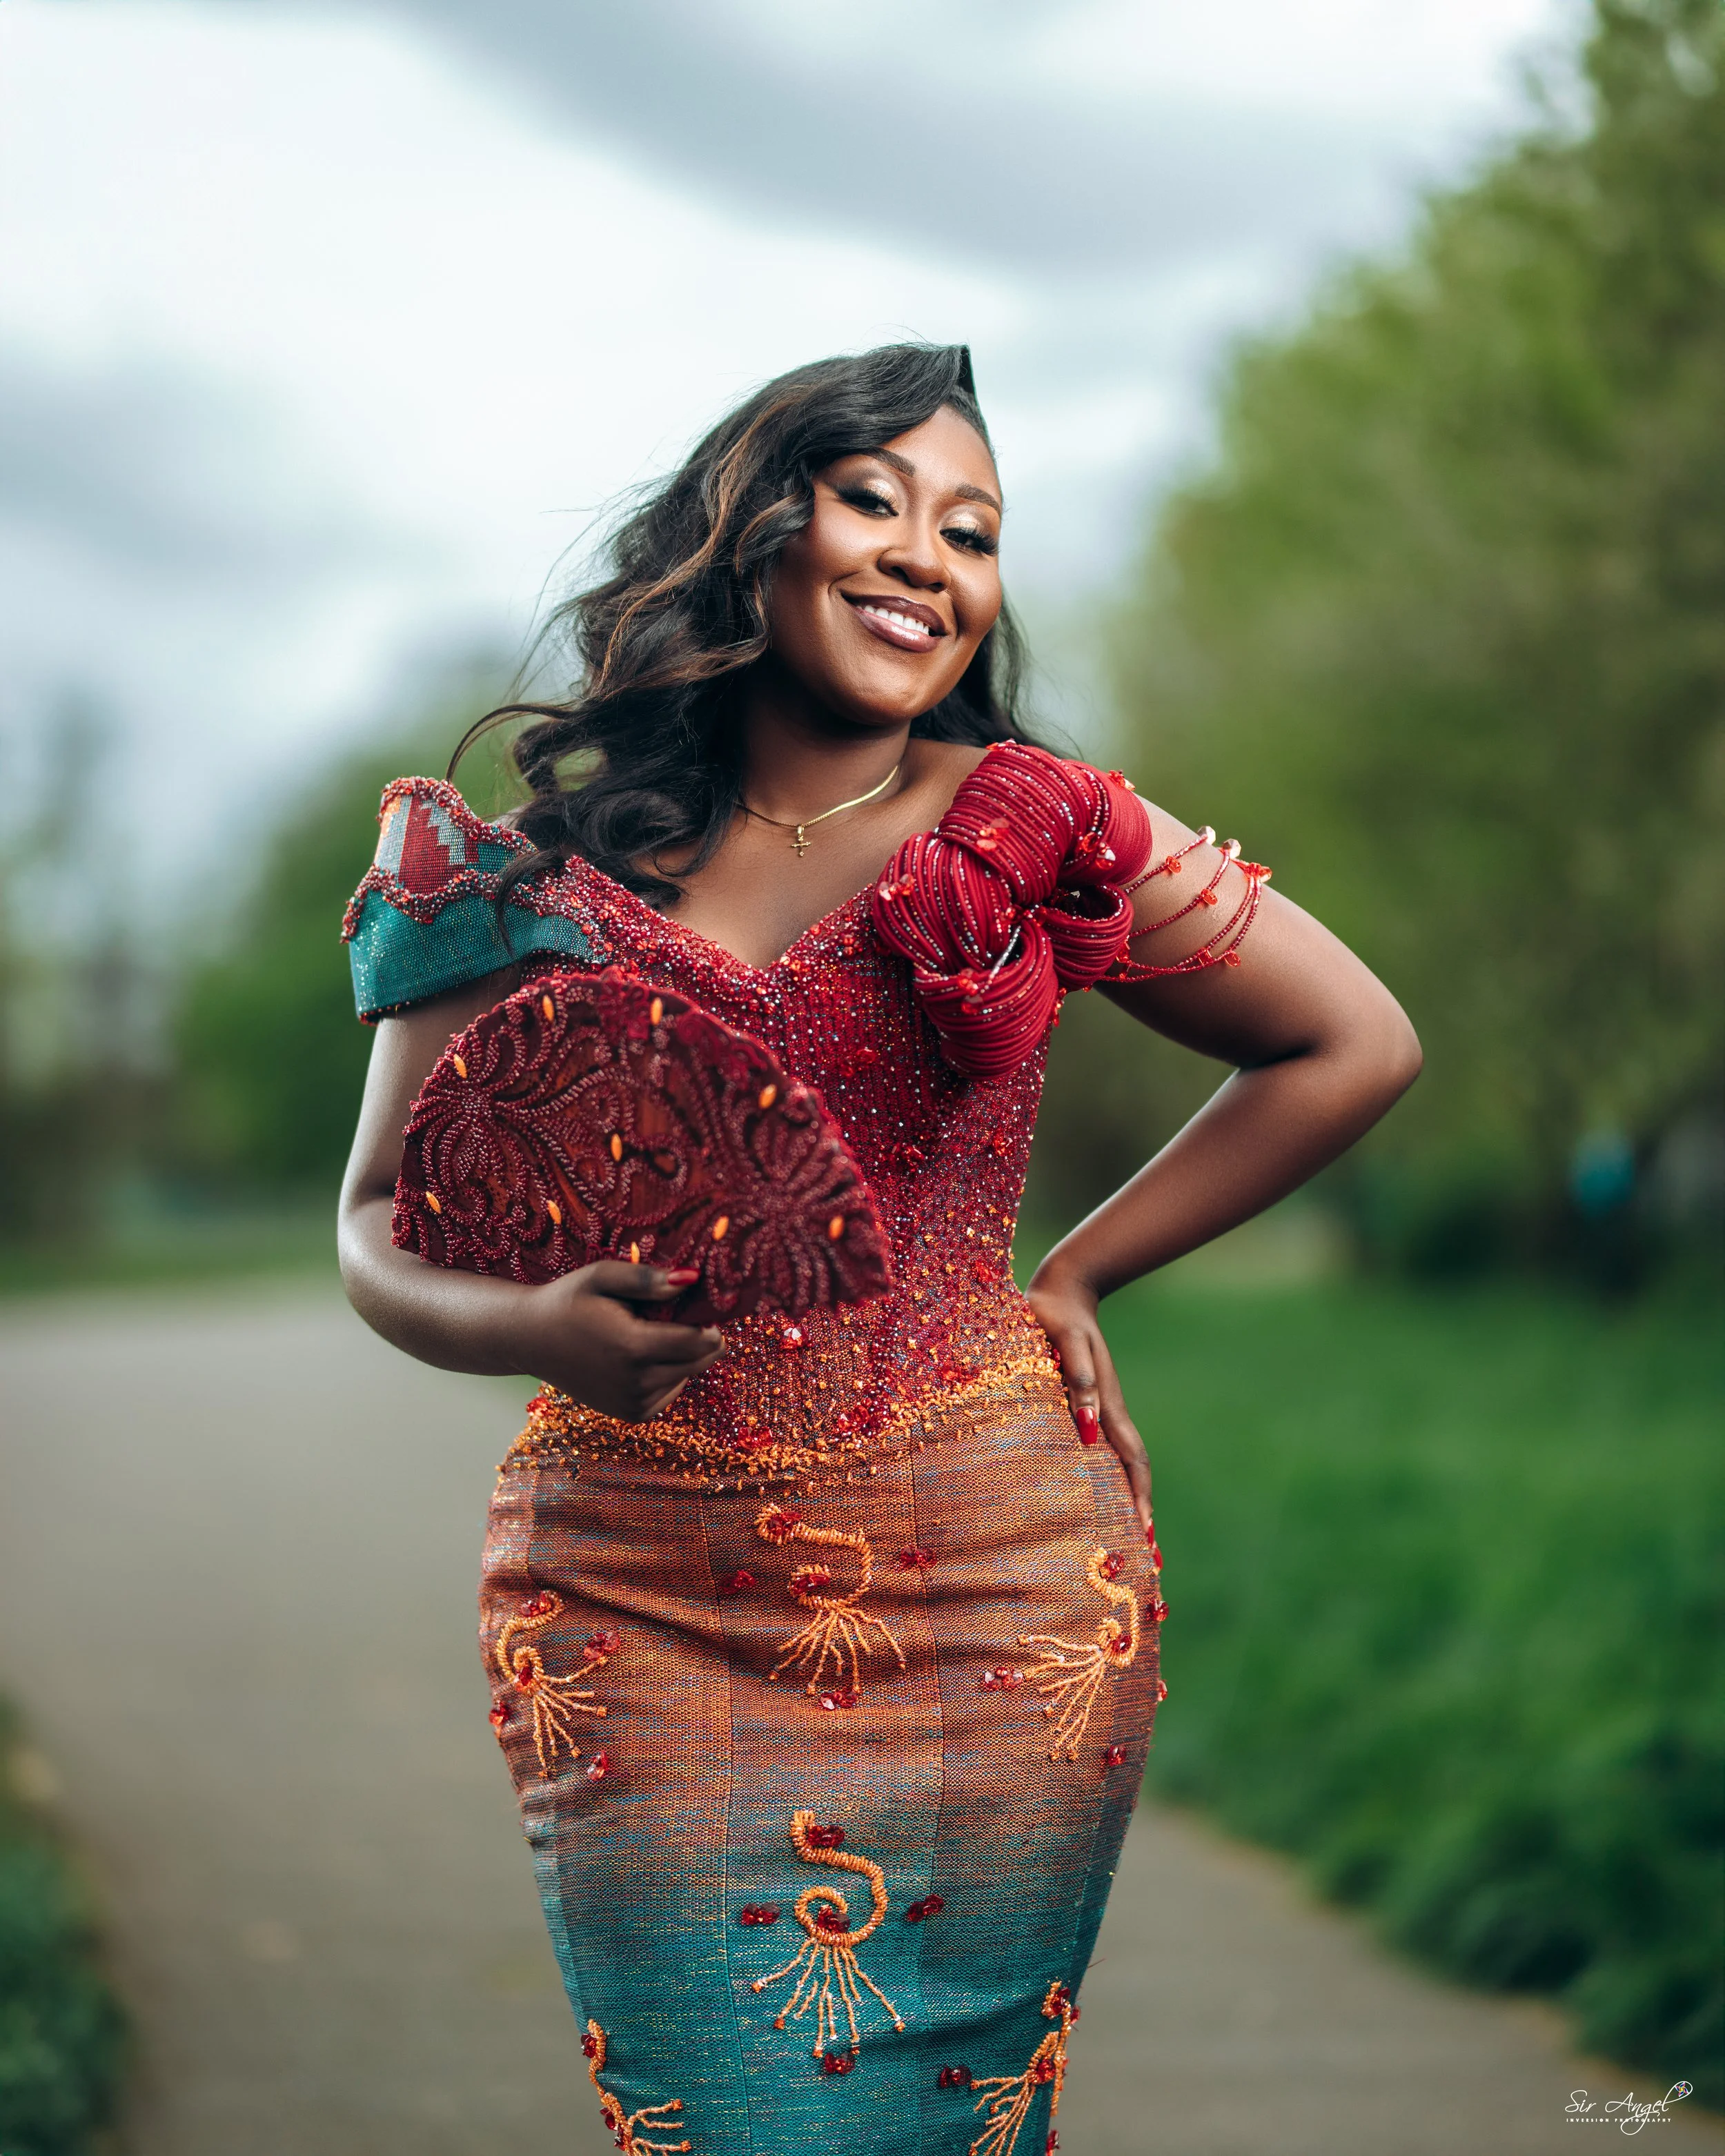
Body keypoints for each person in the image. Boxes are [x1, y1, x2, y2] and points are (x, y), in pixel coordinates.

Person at [337, 344, 1419, 2156]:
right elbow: (374, 1223)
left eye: (973, 528)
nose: (928, 553)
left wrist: (1071, 1271)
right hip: (631, 1597)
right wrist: (538, 1322)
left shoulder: (1035, 829)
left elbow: (1349, 1043)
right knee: (725, 2122)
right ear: (751, 534)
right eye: (874, 499)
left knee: (951, 2127)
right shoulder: (521, 881)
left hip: (999, 1584)